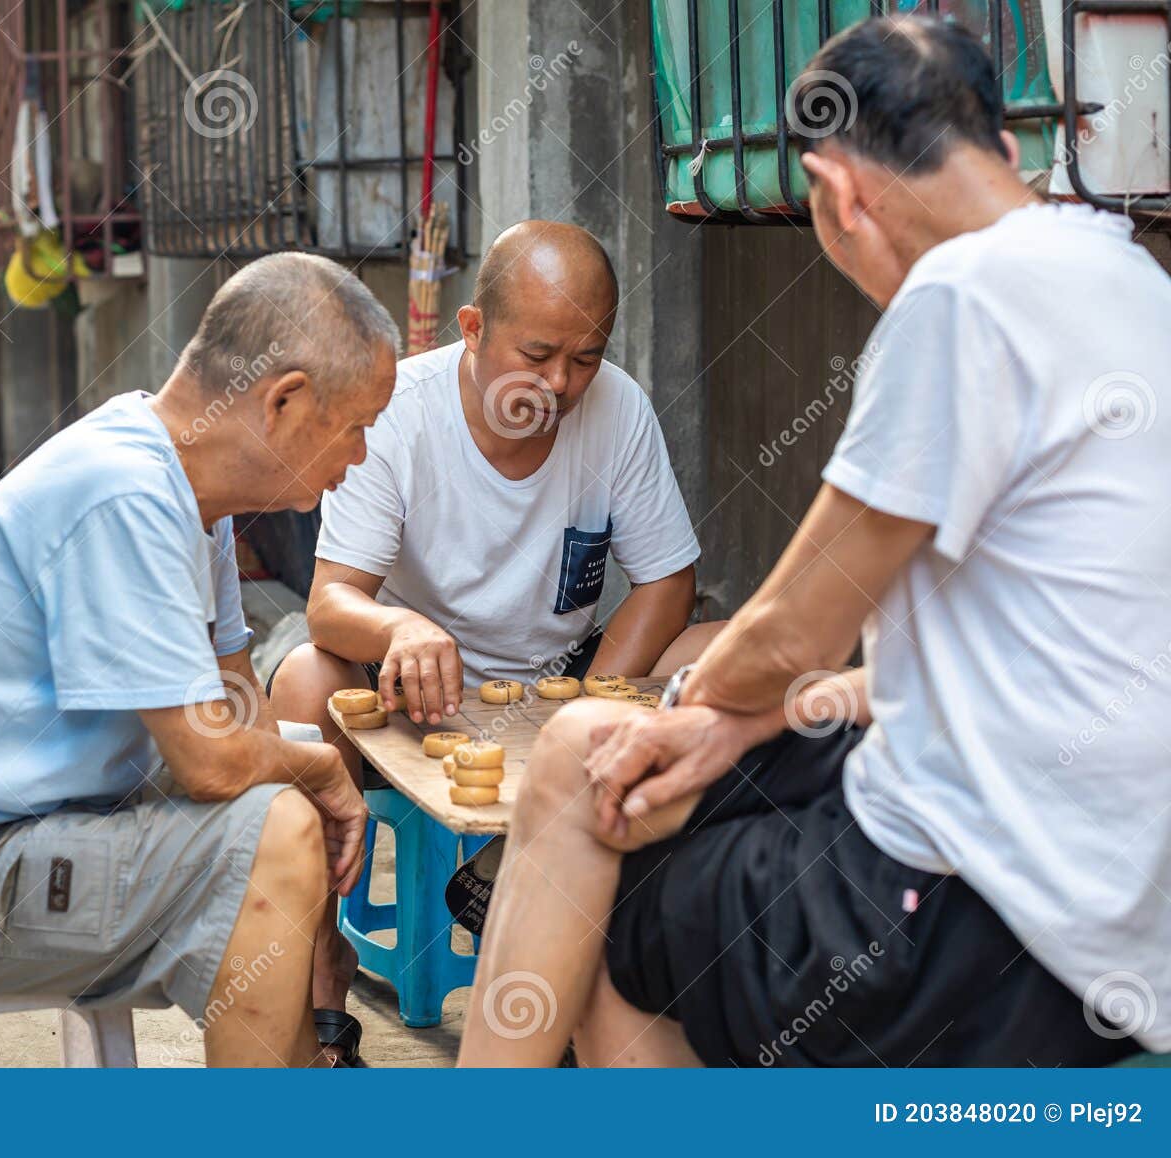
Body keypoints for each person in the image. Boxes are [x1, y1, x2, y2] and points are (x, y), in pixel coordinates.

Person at [460, 15, 1171, 1067]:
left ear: (836, 197)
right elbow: (951, 659)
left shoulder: (958, 298)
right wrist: (736, 729)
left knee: (600, 861)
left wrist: (707, 710)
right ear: (1005, 152)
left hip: (993, 909)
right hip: (1123, 891)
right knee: (592, 753)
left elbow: (795, 630)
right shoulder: (1131, 281)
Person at [0, 253, 400, 1067]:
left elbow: (238, 714)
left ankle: (296, 1068)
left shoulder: (190, 488)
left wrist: (299, 770)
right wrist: (325, 777)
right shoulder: (126, 493)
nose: (364, 456)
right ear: (286, 403)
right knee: (274, 833)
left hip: (3, 839)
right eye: (358, 425)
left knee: (283, 809)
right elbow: (210, 763)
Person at [269, 221, 717, 1062]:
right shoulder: (397, 409)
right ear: (472, 328)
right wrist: (400, 625)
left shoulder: (617, 407)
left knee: (721, 652)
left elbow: (667, 585)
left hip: (559, 681)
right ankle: (323, 1000)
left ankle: (534, 878)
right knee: (300, 679)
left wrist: (580, 711)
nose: (561, 382)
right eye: (539, 353)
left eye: (585, 357)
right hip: (412, 686)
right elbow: (331, 601)